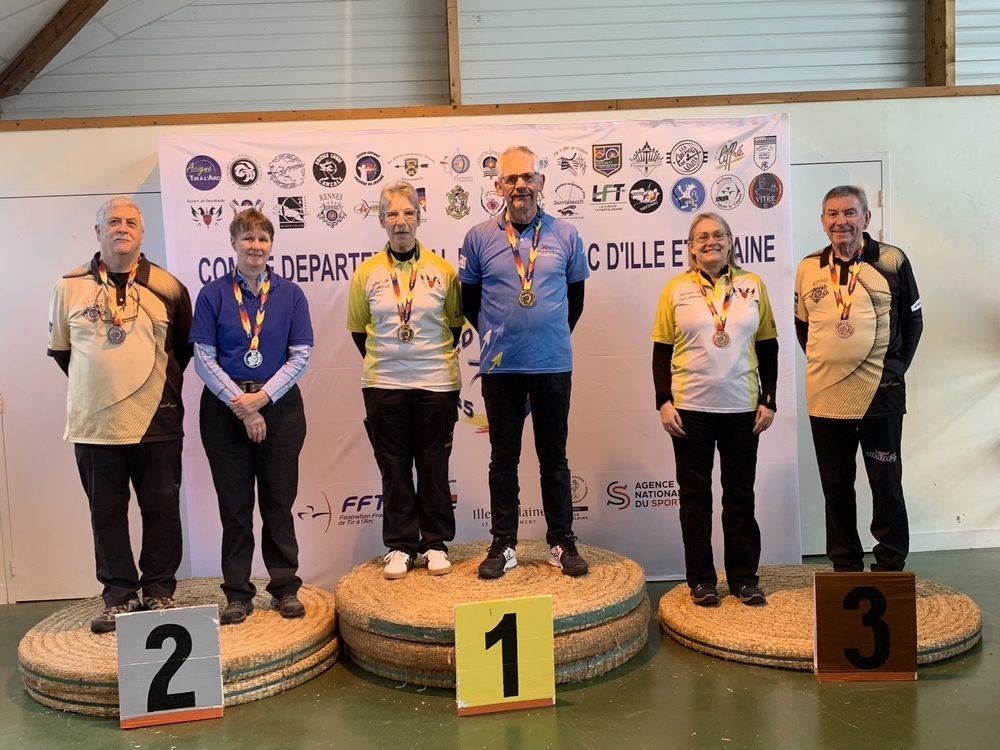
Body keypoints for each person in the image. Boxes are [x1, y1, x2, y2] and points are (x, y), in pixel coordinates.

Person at [47, 197, 192, 633]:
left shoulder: (169, 286)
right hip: (95, 426)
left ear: (142, 233)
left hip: (157, 421)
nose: (122, 228)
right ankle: (118, 596)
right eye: (113, 222)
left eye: (131, 222)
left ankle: (160, 590)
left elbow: (182, 351)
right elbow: (62, 353)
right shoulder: (68, 286)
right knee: (106, 515)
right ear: (98, 232)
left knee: (162, 511)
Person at [459, 145, 590, 579]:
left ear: (541, 182)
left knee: (555, 458)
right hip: (501, 368)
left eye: (527, 177)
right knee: (503, 459)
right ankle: (504, 543)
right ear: (498, 187)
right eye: (511, 179)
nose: (520, 186)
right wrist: (504, 336)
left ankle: (561, 541)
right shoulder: (478, 237)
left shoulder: (566, 234)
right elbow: (471, 302)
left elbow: (575, 302)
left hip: (552, 365)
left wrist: (545, 334)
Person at [190, 208, 313, 624]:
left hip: (280, 408)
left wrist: (260, 398)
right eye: (247, 238)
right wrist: (241, 405)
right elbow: (203, 359)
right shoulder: (213, 294)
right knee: (235, 508)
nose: (255, 246)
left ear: (271, 245)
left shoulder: (291, 294)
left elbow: (300, 356)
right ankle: (238, 594)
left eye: (262, 238)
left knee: (279, 504)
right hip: (224, 410)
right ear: (233, 243)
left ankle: (284, 588)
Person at [652, 212, 778, 606]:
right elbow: (661, 350)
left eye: (719, 234)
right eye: (702, 236)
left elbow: (768, 345)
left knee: (739, 496)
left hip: (742, 409)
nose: (711, 241)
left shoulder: (752, 284)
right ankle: (701, 580)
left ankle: (744, 579)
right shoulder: (675, 289)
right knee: (695, 498)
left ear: (730, 241)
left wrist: (769, 398)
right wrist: (663, 401)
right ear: (691, 247)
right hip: (690, 410)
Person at [795, 185, 922, 573]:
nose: (841, 221)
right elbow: (803, 327)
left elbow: (913, 322)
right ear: (822, 221)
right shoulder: (808, 266)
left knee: (886, 484)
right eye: (833, 214)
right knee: (835, 487)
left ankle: (890, 564)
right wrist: (830, 362)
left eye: (850, 213)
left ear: (866, 218)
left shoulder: (892, 260)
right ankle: (845, 566)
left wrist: (892, 369)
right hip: (825, 396)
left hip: (881, 395)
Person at [347, 181, 465, 580]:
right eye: (393, 214)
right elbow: (359, 331)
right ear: (381, 220)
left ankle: (435, 544)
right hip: (383, 384)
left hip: (436, 383)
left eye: (409, 213)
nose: (401, 221)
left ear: (419, 218)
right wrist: (392, 363)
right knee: (394, 468)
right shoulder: (366, 274)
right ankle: (400, 545)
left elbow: (453, 325)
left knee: (433, 466)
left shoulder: (443, 271)